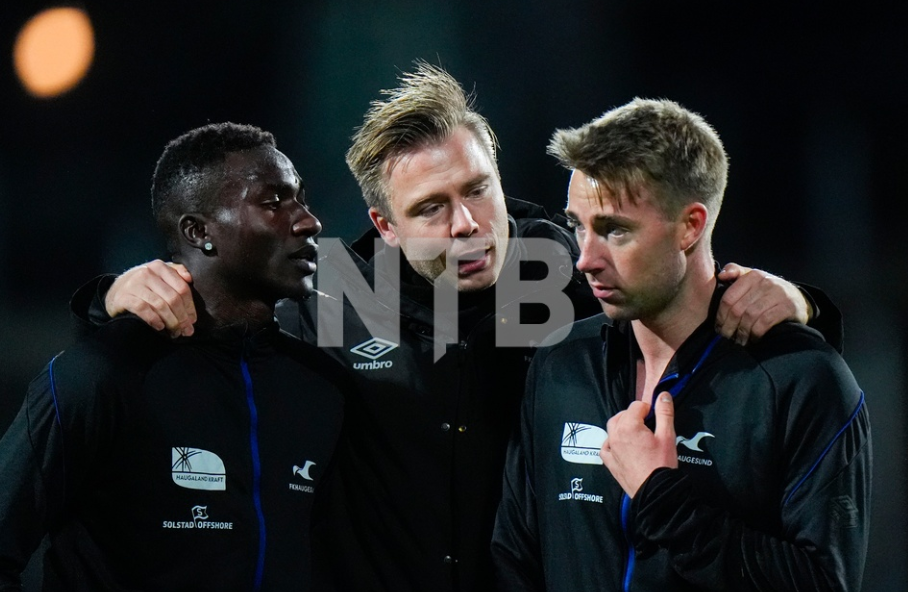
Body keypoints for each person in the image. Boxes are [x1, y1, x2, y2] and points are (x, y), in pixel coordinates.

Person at [75, 65, 842, 591]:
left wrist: (802, 304)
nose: (470, 223)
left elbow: (699, 299)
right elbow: (196, 321)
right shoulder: (333, 293)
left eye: (479, 189)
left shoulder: (571, 267)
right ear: (384, 222)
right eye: (432, 208)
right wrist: (108, 298)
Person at [491, 99, 871, 591]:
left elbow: (822, 583)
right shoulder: (560, 364)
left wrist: (662, 499)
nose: (584, 258)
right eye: (577, 226)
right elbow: (515, 558)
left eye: (615, 230)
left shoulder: (801, 380)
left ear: (690, 226)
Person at [0, 123, 347, 591]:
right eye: (273, 202)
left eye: (301, 199)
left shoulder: (320, 386)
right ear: (199, 231)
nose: (309, 221)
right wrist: (104, 300)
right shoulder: (100, 375)